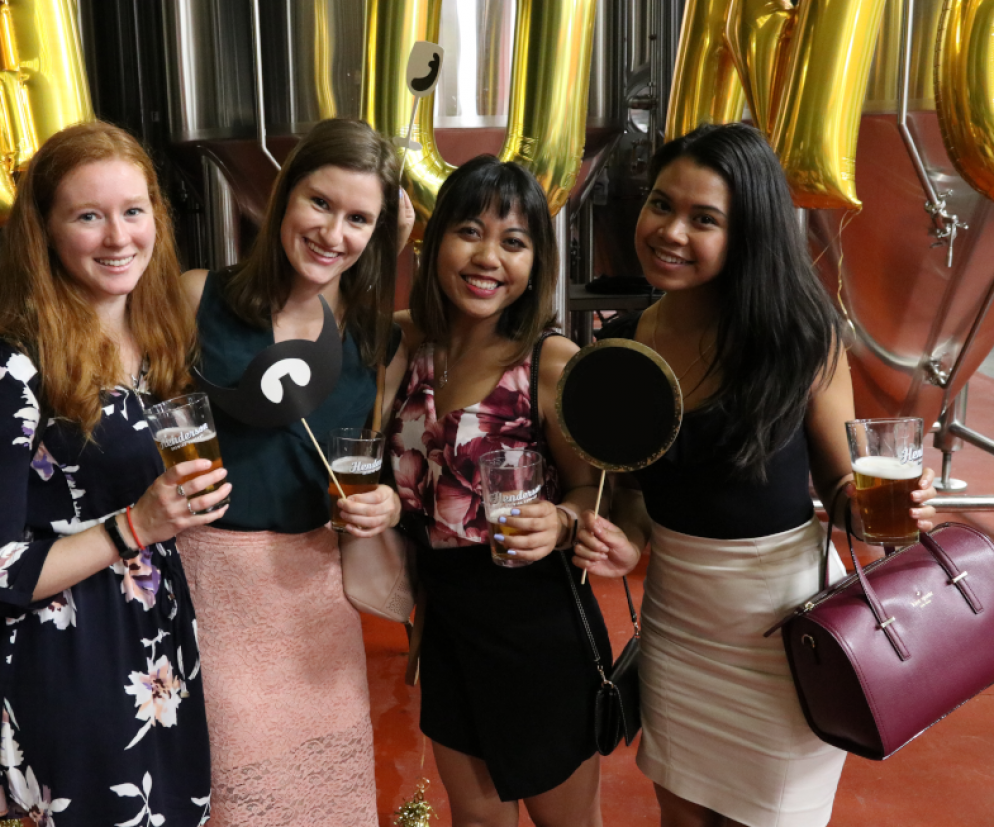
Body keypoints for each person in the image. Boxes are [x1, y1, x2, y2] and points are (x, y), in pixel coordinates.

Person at [574, 122, 939, 827]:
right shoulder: (622, 347)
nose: (669, 231)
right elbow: (630, 497)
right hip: (678, 628)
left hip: (786, 634)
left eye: (703, 219)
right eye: (660, 204)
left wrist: (884, 507)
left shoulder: (799, 340)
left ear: (748, 233)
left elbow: (840, 491)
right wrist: (623, 540)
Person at [0, 121, 229, 826]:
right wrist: (137, 524)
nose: (117, 237)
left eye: (133, 211)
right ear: (44, 230)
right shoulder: (10, 365)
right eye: (88, 216)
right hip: (67, 657)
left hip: (155, 648)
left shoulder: (156, 339)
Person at [385, 154, 638, 827]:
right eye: (469, 230)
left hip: (537, 624)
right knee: (477, 821)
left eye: (514, 241)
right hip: (447, 620)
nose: (487, 256)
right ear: (435, 240)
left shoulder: (547, 363)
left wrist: (560, 520)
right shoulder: (414, 345)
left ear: (535, 264)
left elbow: (593, 488)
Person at [177, 118, 412, 825]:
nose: (333, 232)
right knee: (236, 798)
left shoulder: (379, 339)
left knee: (325, 798)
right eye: (320, 202)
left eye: (359, 218)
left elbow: (378, 466)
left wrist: (388, 508)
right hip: (211, 589)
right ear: (283, 196)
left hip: (316, 599)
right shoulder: (196, 297)